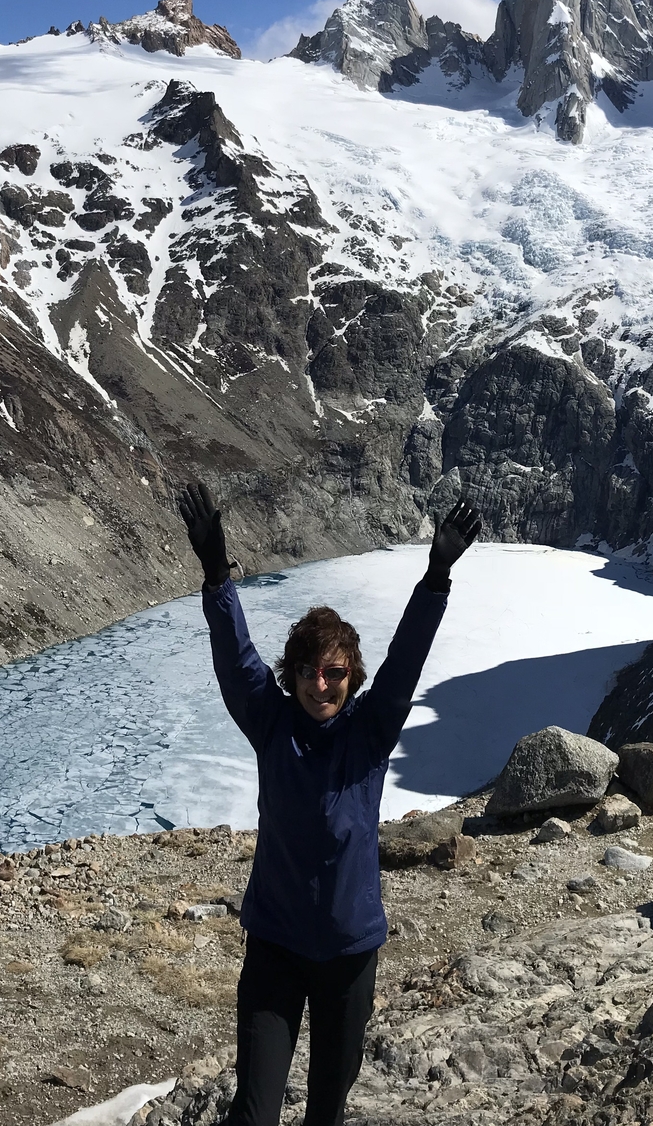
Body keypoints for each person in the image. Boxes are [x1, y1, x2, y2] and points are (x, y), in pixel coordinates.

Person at [175, 482, 483, 1126]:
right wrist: (216, 574)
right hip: (276, 950)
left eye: (335, 672)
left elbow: (404, 663)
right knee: (255, 1114)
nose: (321, 684)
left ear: (351, 678)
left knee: (326, 1114)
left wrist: (436, 577)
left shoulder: (369, 735)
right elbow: (237, 660)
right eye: (310, 671)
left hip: (348, 957)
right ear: (292, 676)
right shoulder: (272, 723)